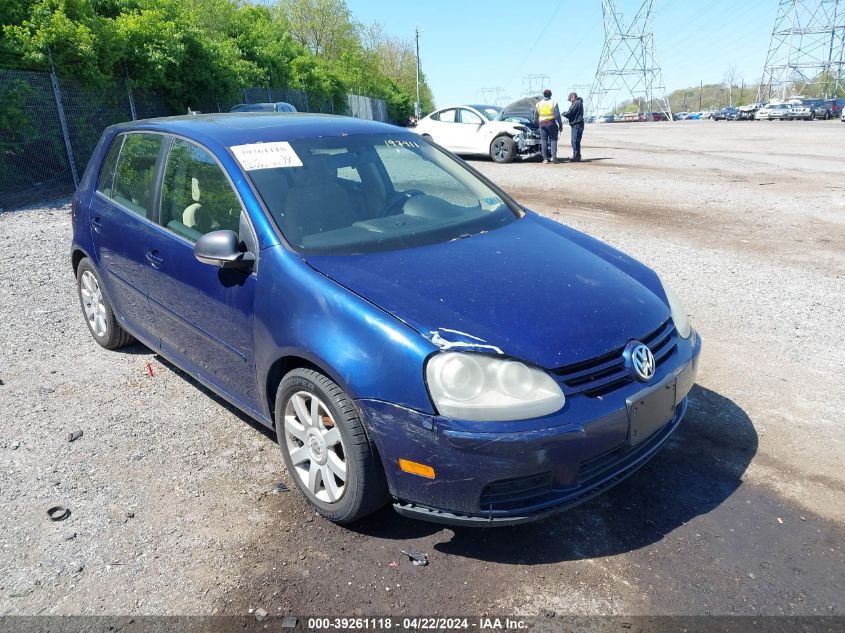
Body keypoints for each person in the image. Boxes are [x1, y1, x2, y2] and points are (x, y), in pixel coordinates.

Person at [534, 89, 563, 164]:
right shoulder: (554, 102)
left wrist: (538, 124)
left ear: (543, 95)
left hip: (542, 124)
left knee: (544, 141)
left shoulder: (538, 104)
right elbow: (557, 115)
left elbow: (535, 115)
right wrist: (560, 124)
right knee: (553, 140)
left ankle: (545, 159)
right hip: (551, 123)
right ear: (551, 95)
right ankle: (554, 157)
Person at [563, 92, 585, 162]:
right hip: (576, 125)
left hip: (577, 125)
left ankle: (576, 156)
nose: (570, 101)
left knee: (575, 141)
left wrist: (564, 114)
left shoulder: (576, 103)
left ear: (573, 97)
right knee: (575, 141)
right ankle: (576, 156)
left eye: (570, 99)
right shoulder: (577, 102)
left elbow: (570, 112)